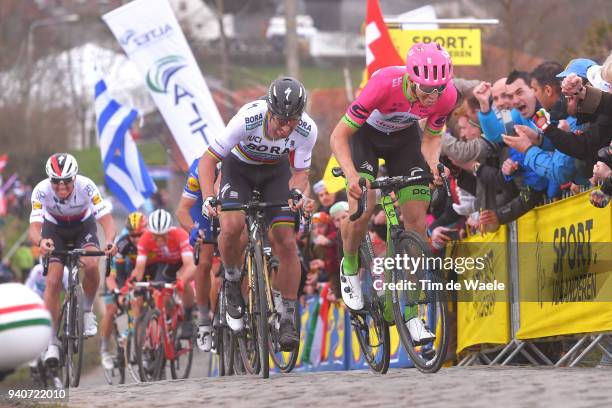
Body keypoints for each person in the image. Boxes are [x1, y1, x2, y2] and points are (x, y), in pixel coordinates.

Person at [329, 42, 457, 343]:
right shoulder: (383, 84)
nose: (432, 97)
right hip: (365, 139)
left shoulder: (446, 95)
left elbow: (431, 139)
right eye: (426, 90)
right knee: (364, 206)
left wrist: (433, 167)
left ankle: (412, 312)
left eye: (438, 89)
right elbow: (339, 135)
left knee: (417, 220)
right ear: (411, 79)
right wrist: (351, 177)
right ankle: (349, 265)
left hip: (403, 142)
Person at [199, 76, 317, 350]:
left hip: (275, 174)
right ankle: (230, 279)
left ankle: (287, 317)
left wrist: (298, 193)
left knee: (286, 241)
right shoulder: (248, 119)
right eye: (281, 121)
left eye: (293, 121)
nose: (287, 128)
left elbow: (300, 172)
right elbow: (208, 160)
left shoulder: (307, 130)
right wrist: (208, 197)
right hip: (238, 170)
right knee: (231, 226)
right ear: (270, 111)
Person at [28, 153, 117, 367]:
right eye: (56, 183)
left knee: (92, 262)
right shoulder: (40, 190)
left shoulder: (87, 187)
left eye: (66, 182)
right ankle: (51, 342)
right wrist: (40, 242)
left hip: (82, 227)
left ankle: (86, 311)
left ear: (74, 178)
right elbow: (34, 228)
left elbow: (106, 220)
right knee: (52, 280)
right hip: (54, 230)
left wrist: (111, 241)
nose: (61, 188)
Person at [127, 209, 196, 339]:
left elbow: (190, 264)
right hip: (164, 266)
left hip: (182, 263)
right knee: (160, 293)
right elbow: (139, 268)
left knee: (183, 279)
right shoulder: (145, 239)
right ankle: (167, 321)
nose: (158, 239)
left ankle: (188, 316)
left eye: (163, 235)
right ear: (149, 232)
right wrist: (132, 280)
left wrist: (182, 280)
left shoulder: (180, 235)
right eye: (155, 235)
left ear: (169, 231)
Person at [175, 158, 219, 352]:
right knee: (204, 262)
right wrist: (193, 229)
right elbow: (182, 210)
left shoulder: (239, 165)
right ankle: (203, 320)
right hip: (202, 207)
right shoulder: (198, 171)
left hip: (231, 201)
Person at [99, 211, 146, 370]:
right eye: (133, 235)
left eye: (140, 234)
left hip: (137, 277)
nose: (137, 239)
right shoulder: (123, 244)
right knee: (111, 308)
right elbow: (114, 276)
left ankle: (142, 350)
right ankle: (104, 349)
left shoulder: (150, 241)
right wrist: (118, 292)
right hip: (117, 277)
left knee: (139, 309)